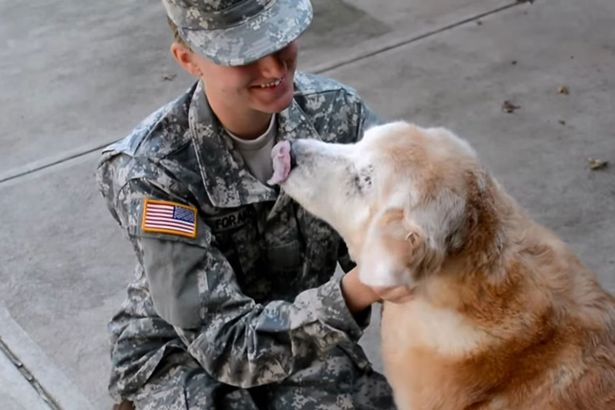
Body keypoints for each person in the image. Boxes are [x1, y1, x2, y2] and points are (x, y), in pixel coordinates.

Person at [97, 0, 412, 408]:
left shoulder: (338, 115)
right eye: (243, 53)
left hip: (300, 336)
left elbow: (402, 239)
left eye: (278, 38)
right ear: (187, 58)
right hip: (180, 359)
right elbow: (224, 344)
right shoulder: (151, 169)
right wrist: (357, 290)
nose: (273, 68)